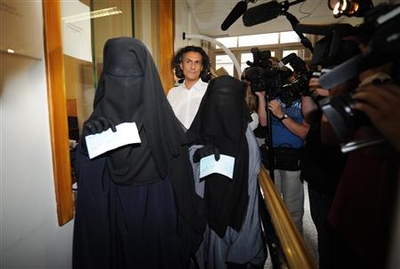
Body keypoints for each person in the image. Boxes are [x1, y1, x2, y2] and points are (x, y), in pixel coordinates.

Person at [72, 37, 207, 269]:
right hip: (114, 205)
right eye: (116, 79)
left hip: (157, 204)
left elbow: (179, 169)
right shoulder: (100, 119)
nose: (124, 86)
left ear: (145, 80)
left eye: (133, 78)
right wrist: (86, 147)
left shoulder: (161, 117)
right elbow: (87, 177)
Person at [187, 75, 268, 268]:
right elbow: (184, 158)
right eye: (217, 99)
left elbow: (250, 182)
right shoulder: (200, 128)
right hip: (204, 208)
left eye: (228, 100)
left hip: (236, 211)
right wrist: (196, 155)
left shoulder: (247, 137)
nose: (222, 106)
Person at [254, 59, 310, 234]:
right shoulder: (274, 96)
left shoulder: (304, 100)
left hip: (293, 157)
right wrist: (262, 98)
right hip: (273, 156)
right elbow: (263, 122)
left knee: (293, 206)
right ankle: (277, 239)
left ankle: (295, 244)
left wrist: (281, 115)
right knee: (273, 203)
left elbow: (304, 132)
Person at [300, 77, 349, 269]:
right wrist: (305, 93)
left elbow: (330, 137)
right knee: (320, 226)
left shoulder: (351, 98)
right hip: (316, 172)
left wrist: (332, 96)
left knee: (330, 233)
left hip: (335, 175)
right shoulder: (326, 97)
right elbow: (310, 118)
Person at [167, 45, 211, 129]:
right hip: (177, 140)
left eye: (197, 62)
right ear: (181, 65)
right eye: (188, 62)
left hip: (201, 141)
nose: (193, 67)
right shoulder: (172, 93)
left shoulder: (210, 91)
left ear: (202, 67)